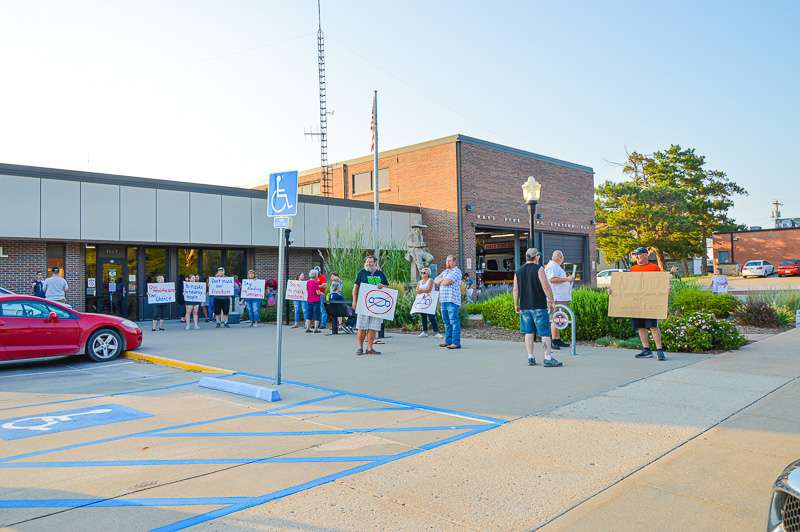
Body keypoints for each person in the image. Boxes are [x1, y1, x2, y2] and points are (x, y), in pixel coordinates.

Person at [513, 248, 562, 367]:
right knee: (545, 333)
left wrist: (516, 304)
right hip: (539, 306)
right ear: (537, 257)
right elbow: (545, 286)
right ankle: (547, 358)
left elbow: (515, 289)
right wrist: (551, 300)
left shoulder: (518, 271)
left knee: (528, 332)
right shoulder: (539, 269)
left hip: (525, 306)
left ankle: (530, 357)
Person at [629, 246, 667, 361]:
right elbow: (628, 285)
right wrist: (614, 291)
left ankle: (660, 350)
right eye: (635, 255)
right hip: (637, 302)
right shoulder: (633, 269)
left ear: (646, 255)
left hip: (651, 302)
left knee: (653, 326)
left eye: (639, 254)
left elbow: (660, 283)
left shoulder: (654, 268)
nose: (637, 256)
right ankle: (646, 350)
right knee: (640, 327)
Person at [353, 255, 388, 355]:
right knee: (361, 326)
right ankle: (360, 348)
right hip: (363, 304)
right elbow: (355, 288)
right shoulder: (362, 273)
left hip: (377, 305)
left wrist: (383, 286)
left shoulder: (380, 274)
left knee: (373, 327)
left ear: (375, 263)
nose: (369, 264)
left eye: (371, 262)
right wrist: (354, 301)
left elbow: (386, 287)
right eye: (367, 262)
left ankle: (370, 348)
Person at [545, 250, 576, 349]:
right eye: (562, 257)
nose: (563, 259)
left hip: (560, 297)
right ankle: (554, 340)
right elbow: (552, 279)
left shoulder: (555, 266)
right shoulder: (552, 266)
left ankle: (557, 339)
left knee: (558, 318)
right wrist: (567, 279)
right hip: (556, 298)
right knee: (556, 318)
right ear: (560, 257)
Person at [434, 255, 463, 349]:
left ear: (454, 262)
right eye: (447, 261)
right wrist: (443, 279)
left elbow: (447, 282)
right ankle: (448, 341)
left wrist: (442, 280)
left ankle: (456, 343)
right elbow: (435, 280)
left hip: (452, 300)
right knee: (446, 322)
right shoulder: (445, 271)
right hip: (443, 300)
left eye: (449, 261)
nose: (447, 262)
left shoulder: (457, 271)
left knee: (454, 321)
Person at [415, 267, 441, 338]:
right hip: (422, 301)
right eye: (422, 272)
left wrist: (420, 290)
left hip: (430, 301)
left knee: (431, 316)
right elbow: (417, 291)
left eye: (424, 272)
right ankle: (425, 332)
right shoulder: (419, 282)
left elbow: (428, 289)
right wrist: (421, 290)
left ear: (428, 274)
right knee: (423, 316)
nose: (422, 274)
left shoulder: (430, 280)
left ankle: (436, 332)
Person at [305, 269, 323, 333]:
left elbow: (307, 290)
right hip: (316, 300)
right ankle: (316, 329)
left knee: (309, 314)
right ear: (316, 275)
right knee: (317, 314)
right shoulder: (316, 282)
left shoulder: (307, 282)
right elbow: (317, 292)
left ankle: (308, 328)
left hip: (309, 300)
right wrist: (322, 293)